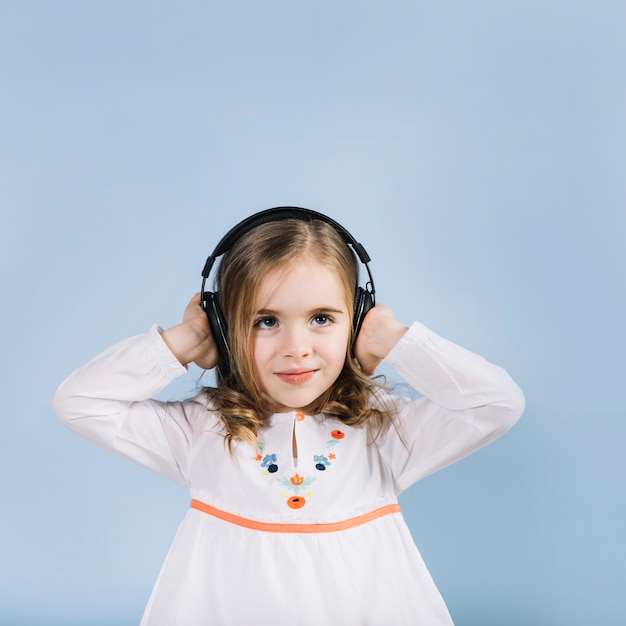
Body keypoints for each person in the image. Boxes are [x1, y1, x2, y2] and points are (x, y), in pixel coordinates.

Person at [52, 207, 525, 625]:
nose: (296, 348)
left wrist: (395, 339)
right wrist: (182, 342)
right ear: (224, 326)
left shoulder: (384, 432)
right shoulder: (200, 430)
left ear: (356, 320)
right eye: (266, 321)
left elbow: (497, 404)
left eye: (322, 318)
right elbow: (80, 402)